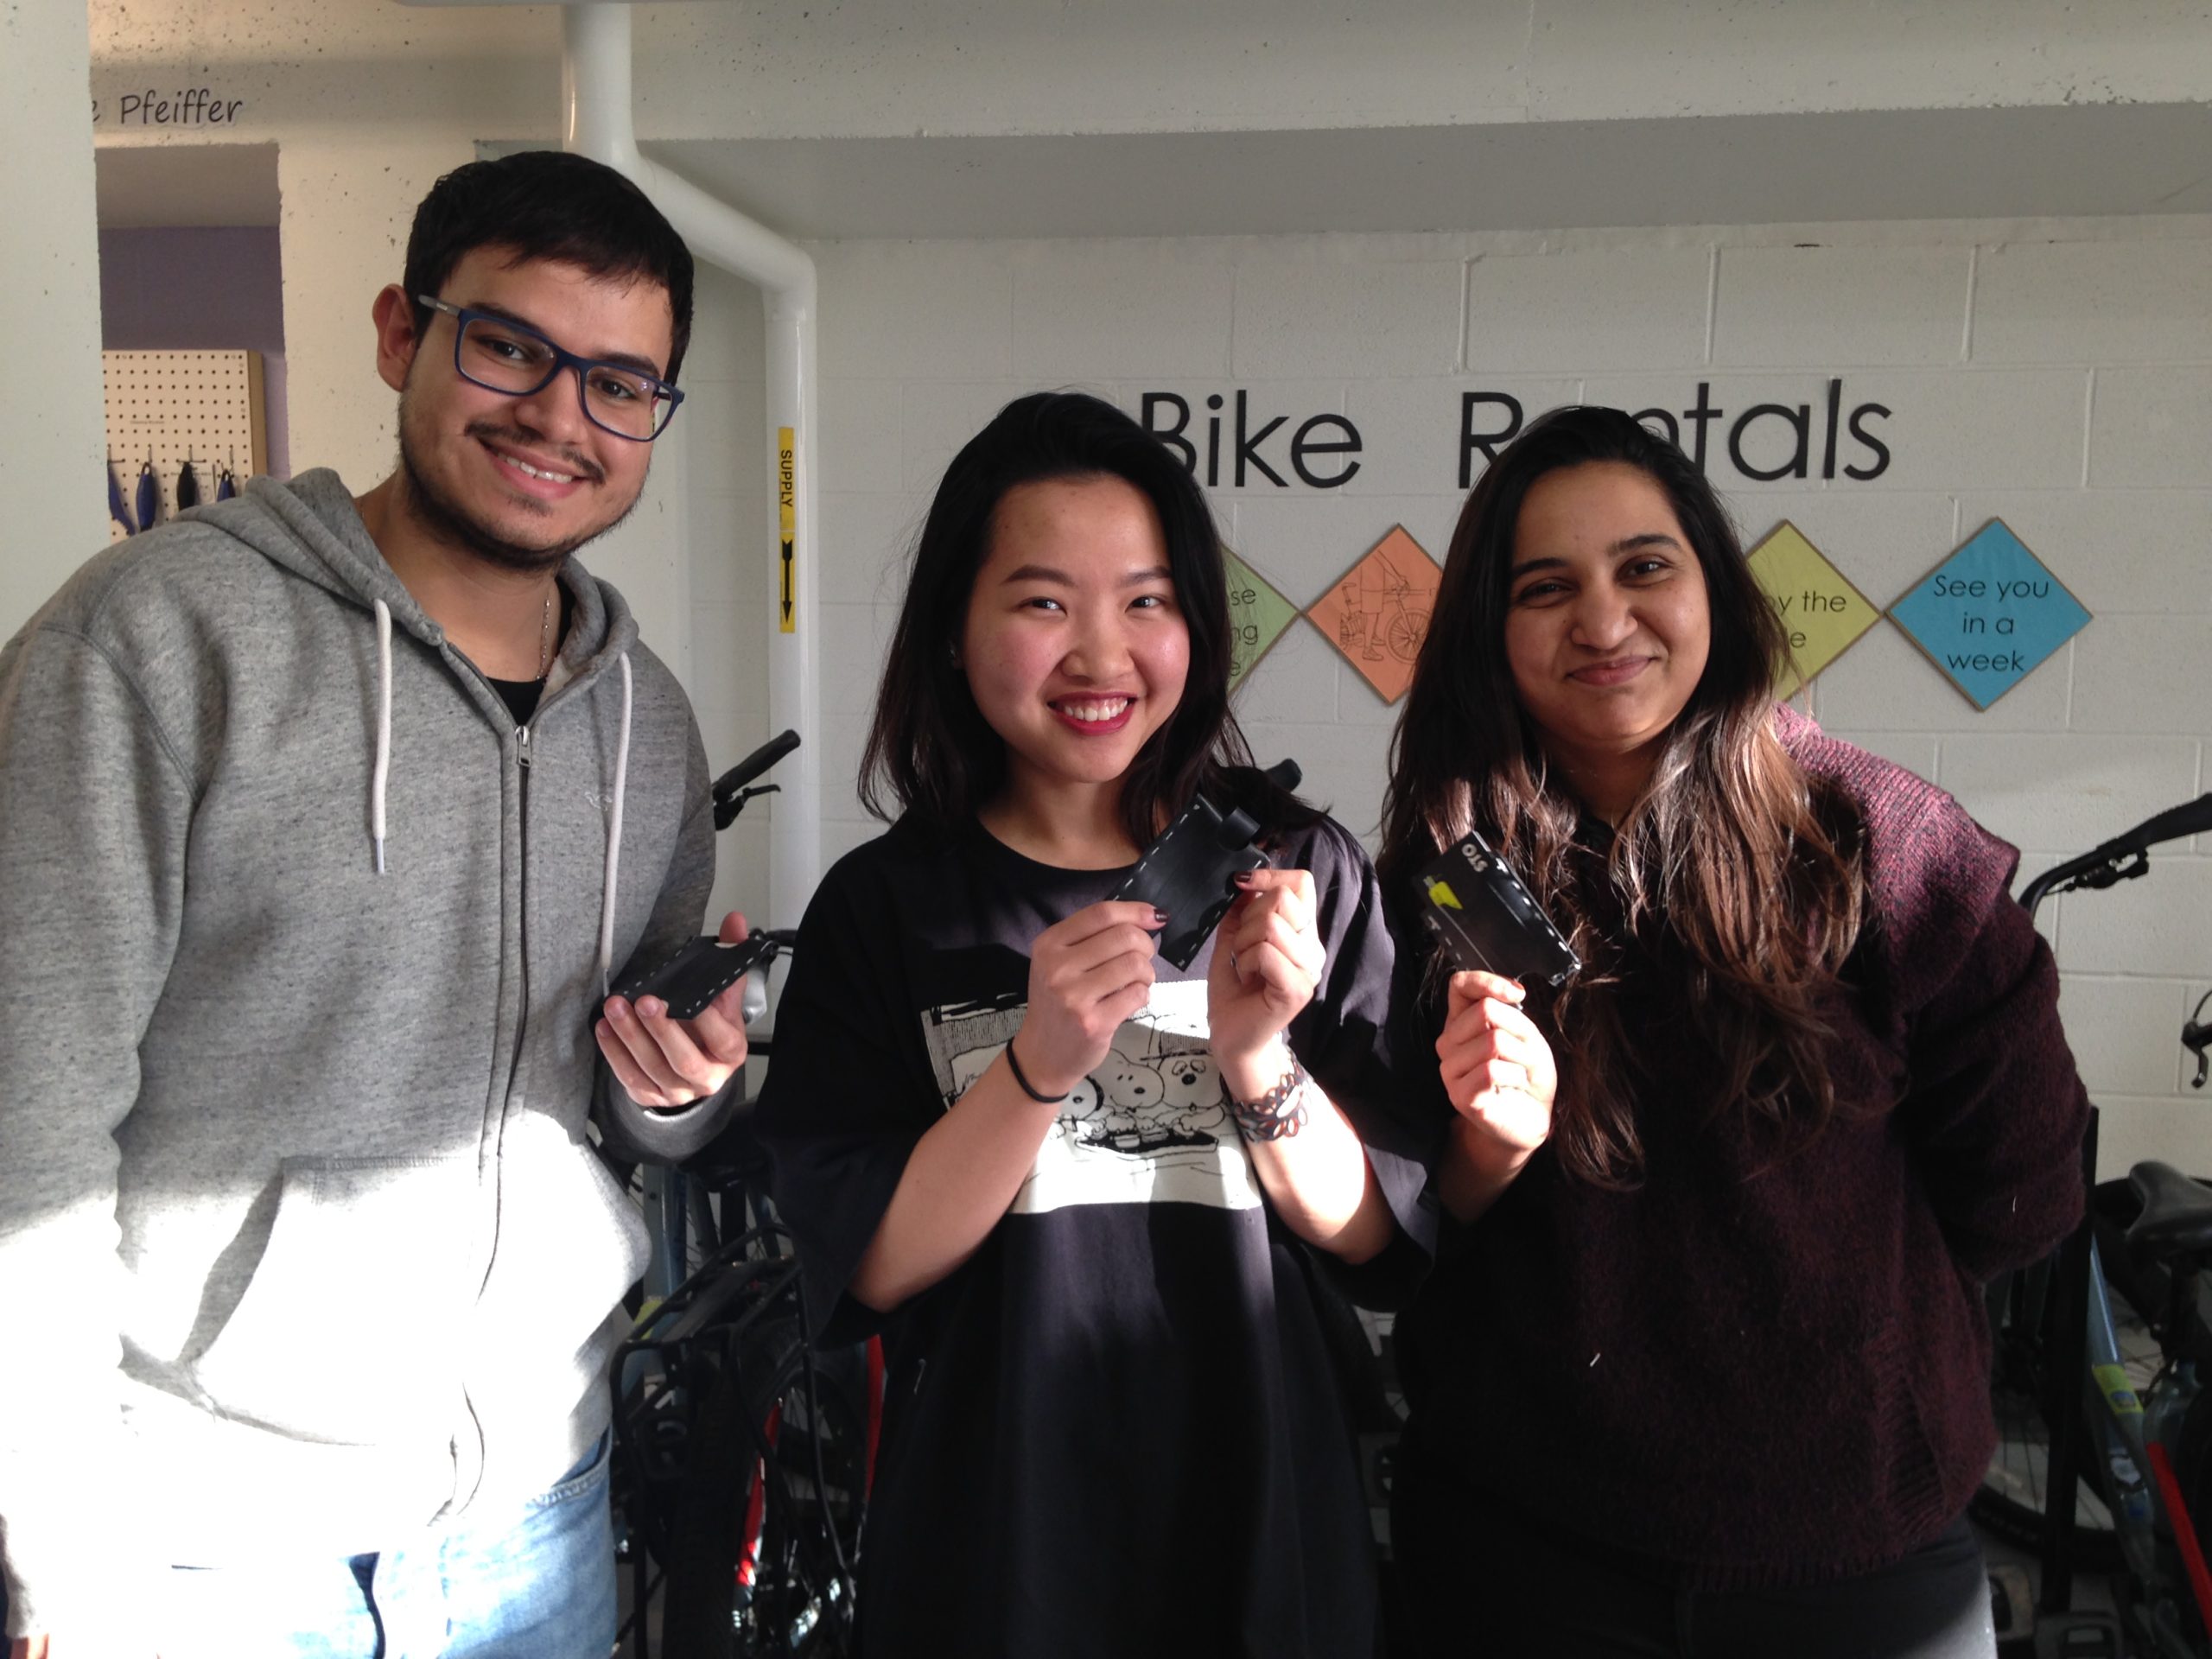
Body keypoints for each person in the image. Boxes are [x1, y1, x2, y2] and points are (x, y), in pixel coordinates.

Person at [0, 150, 752, 1659]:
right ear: (403, 333)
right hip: (202, 1544)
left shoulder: (647, 724)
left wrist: (682, 1094)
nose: (558, 416)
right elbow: (30, 1118)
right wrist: (60, 1552)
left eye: (621, 382)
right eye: (511, 346)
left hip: (535, 1501)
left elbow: (620, 1110)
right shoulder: (153, 640)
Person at [1374, 405, 2088, 1658]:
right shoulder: (1441, 869)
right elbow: (1409, 1212)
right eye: (1548, 587)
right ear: (1491, 633)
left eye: (1645, 566)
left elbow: (2023, 1192)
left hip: (1857, 1566)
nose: (1604, 622)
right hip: (1517, 1558)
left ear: (1716, 583)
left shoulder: (1891, 850)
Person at [753, 391, 1431, 1656]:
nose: (1102, 654)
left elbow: (1373, 1239)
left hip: (1265, 1515)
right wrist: (1033, 1066)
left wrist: (1255, 1055)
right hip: (994, 1539)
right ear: (956, 629)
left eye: (1147, 599)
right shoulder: (884, 909)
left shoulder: (1297, 872)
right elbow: (877, 1262)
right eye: (1042, 601)